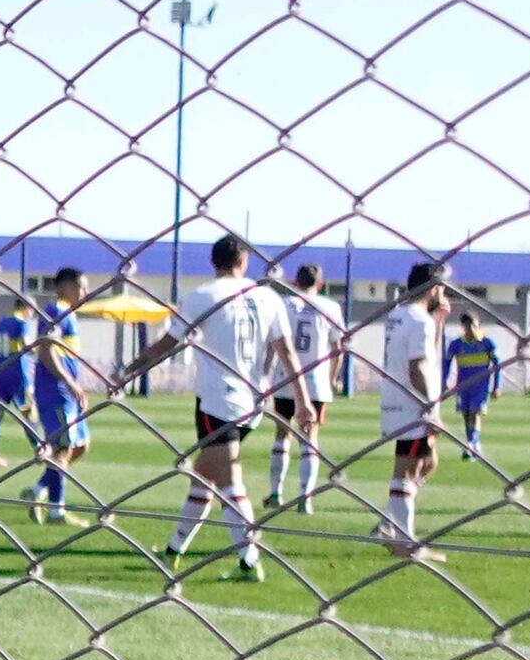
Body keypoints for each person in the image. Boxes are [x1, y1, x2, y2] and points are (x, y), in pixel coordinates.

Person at [119, 233, 301, 582]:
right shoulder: (267, 296)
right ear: (245, 262)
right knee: (205, 476)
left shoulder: (203, 295)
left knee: (228, 479)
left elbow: (170, 343)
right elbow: (286, 352)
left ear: (213, 262)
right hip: (254, 403)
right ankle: (174, 550)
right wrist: (303, 400)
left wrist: (132, 367)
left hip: (218, 402)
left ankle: (249, 561)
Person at [375, 261, 449, 562]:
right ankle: (404, 540)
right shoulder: (420, 320)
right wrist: (431, 407)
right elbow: (418, 366)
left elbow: (425, 353)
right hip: (414, 405)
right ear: (433, 288)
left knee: (427, 462)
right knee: (406, 470)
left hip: (395, 400)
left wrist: (440, 320)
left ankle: (391, 525)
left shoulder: (397, 315)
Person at [266, 263, 343, 512]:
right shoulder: (331, 307)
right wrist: (332, 377)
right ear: (320, 284)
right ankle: (305, 497)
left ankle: (276, 492)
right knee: (310, 438)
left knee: (282, 433)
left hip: (286, 377)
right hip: (316, 380)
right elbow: (337, 349)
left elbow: (272, 342)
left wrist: (267, 371)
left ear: (294, 282)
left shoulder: (284, 304)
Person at [27, 268, 98, 523]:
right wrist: (70, 383)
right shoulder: (57, 310)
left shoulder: (68, 314)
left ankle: (39, 490)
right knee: (62, 447)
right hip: (56, 391)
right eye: (81, 287)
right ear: (65, 287)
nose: (85, 293)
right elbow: (46, 350)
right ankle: (57, 510)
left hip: (66, 391)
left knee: (80, 445)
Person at [0, 292, 35, 468]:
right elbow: (26, 345)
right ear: (26, 308)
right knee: (29, 415)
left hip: (0, 374)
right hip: (19, 376)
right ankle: (40, 450)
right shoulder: (21, 324)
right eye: (32, 310)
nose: (33, 314)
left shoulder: (1, 323)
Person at [444, 311, 503, 456]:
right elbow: (446, 363)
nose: (471, 330)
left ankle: (471, 445)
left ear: (479, 326)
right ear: (463, 327)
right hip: (463, 386)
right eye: (468, 326)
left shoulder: (487, 343)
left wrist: (497, 386)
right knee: (466, 415)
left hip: (480, 386)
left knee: (475, 413)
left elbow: (497, 365)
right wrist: (445, 381)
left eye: (474, 326)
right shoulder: (456, 344)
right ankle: (474, 443)